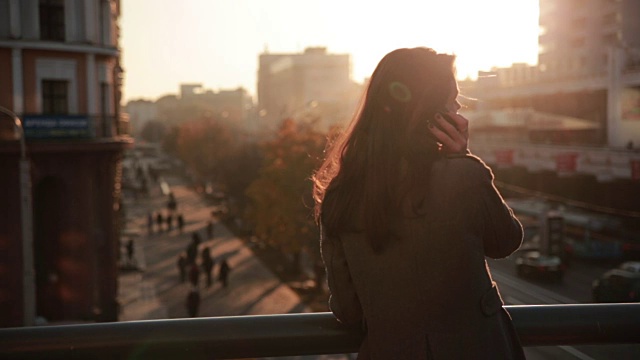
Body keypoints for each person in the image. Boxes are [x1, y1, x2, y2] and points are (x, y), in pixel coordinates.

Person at [312, 47, 525, 359]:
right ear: (432, 115)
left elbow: (348, 310)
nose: (460, 112)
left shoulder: (341, 194)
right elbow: (505, 241)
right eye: (453, 101)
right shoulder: (462, 176)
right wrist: (461, 159)